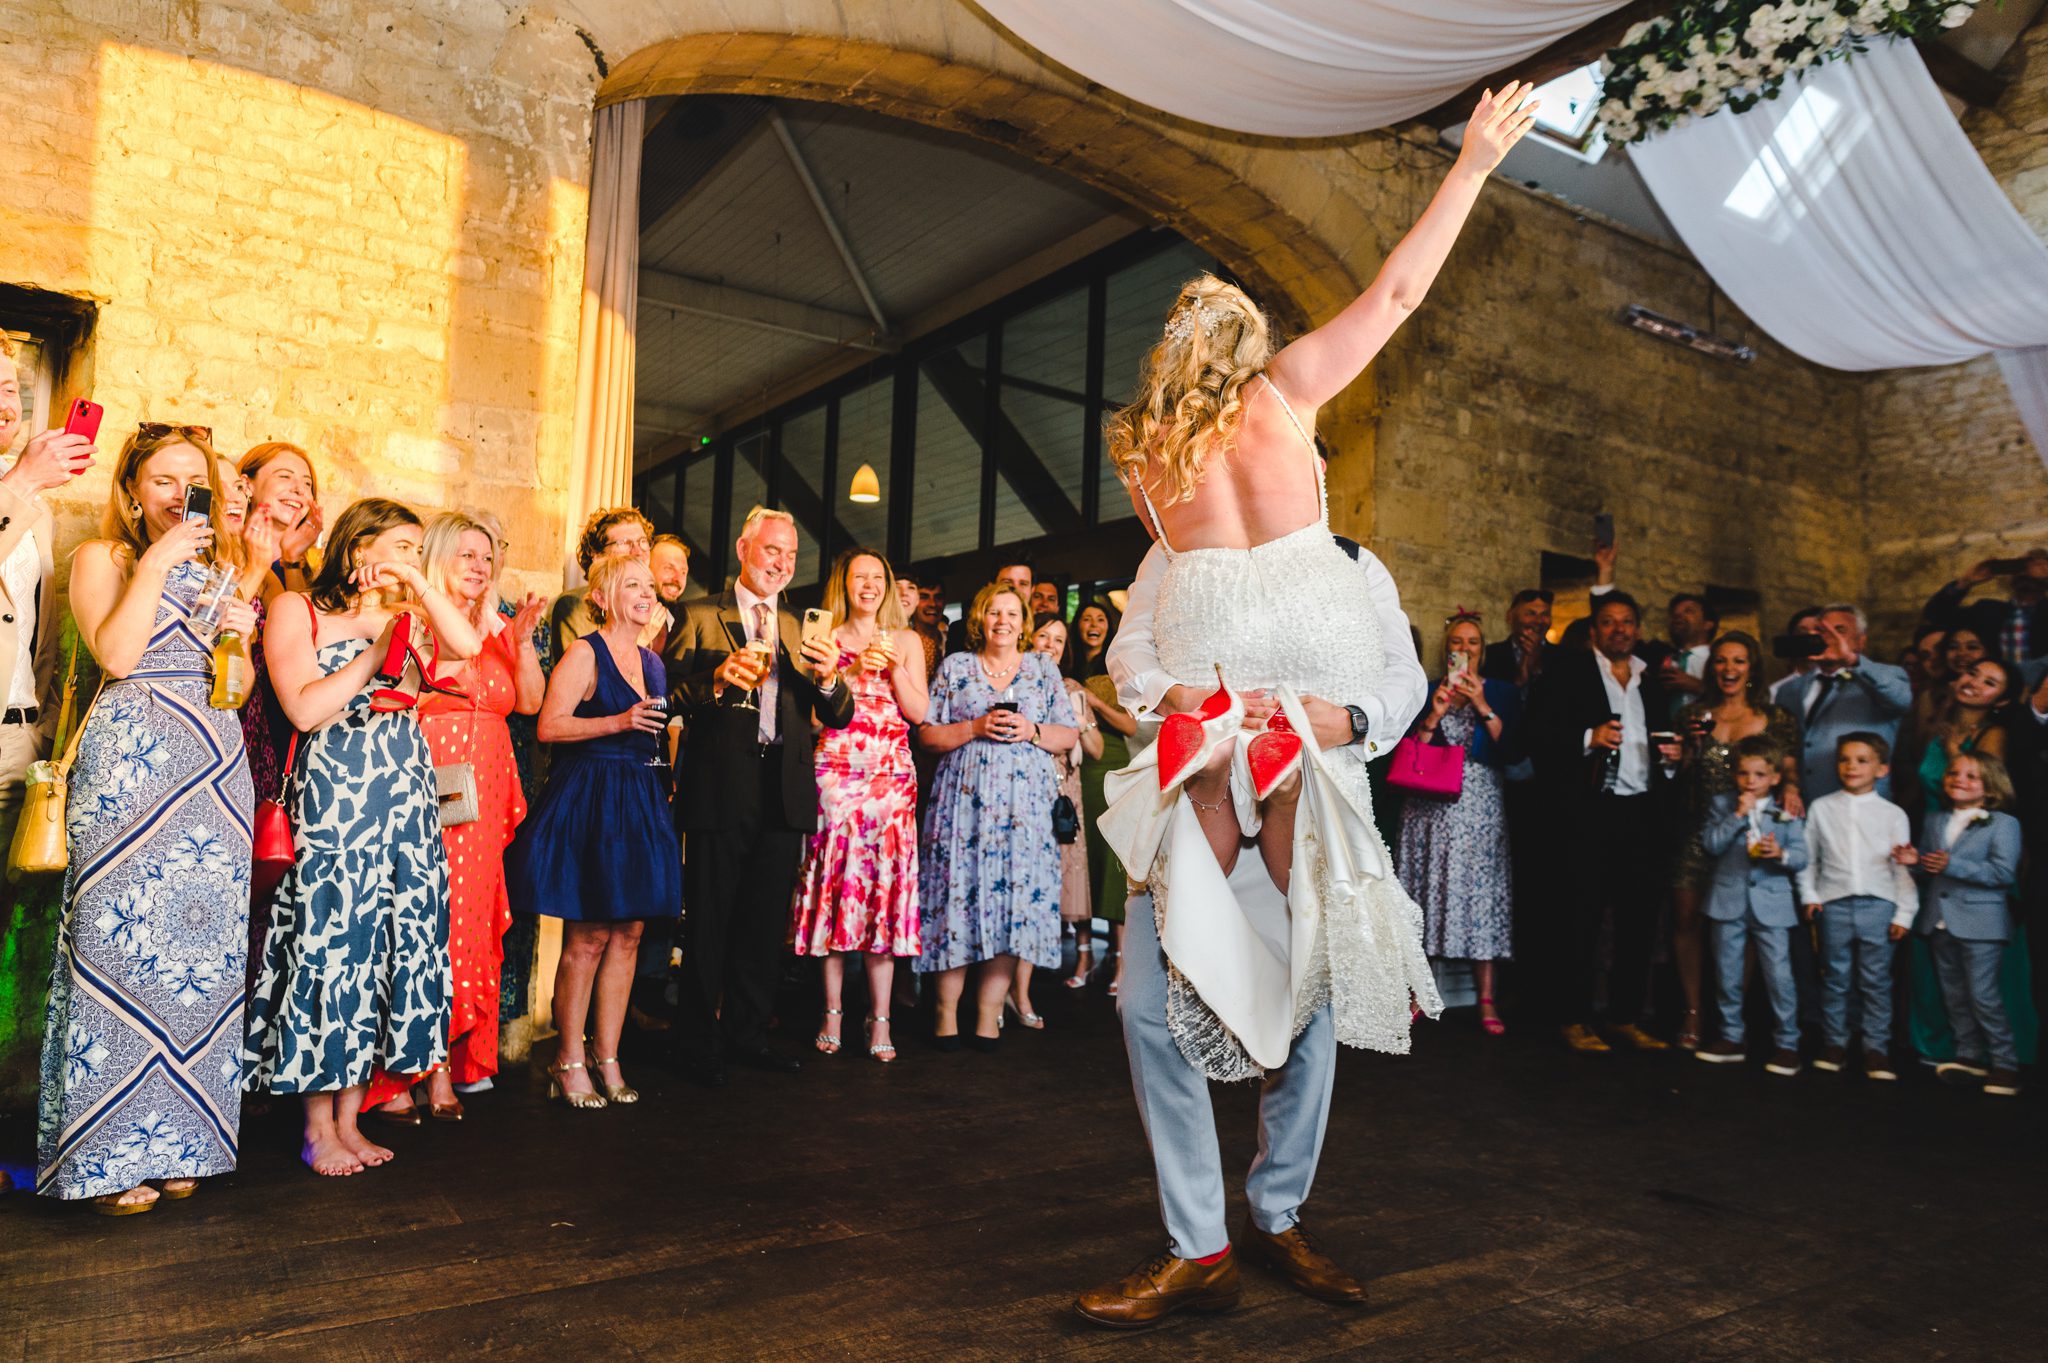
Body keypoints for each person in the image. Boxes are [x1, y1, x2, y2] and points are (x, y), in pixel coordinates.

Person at [1079, 84, 1529, 1327]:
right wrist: (1473, 163)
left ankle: (1274, 1210)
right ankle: (1195, 1240)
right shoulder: (1258, 409)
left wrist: (1341, 721)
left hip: (1302, 747)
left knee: (1317, 984)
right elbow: (1392, 294)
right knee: (1146, 994)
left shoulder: (1158, 461)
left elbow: (1382, 674)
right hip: (1205, 745)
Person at [35, 425, 256, 1213]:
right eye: (162, 480)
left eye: (192, 480)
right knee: (119, 952)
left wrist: (238, 630)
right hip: (131, 769)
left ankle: (183, 1138)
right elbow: (118, 656)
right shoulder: (107, 560)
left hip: (214, 771)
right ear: (133, 490)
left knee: (198, 960)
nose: (177, 494)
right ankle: (106, 1156)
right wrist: (161, 561)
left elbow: (236, 684)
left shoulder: (220, 572)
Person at [244, 498, 480, 1177]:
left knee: (379, 953)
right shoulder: (299, 608)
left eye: (418, 548)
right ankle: (316, 1126)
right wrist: (373, 657)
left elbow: (467, 649)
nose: (411, 559)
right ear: (357, 545)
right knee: (331, 948)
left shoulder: (404, 614)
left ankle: (350, 1118)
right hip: (336, 800)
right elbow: (304, 706)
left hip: (405, 801)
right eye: (401, 546)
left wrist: (421, 587)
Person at [664, 507, 853, 1087]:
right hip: (721, 787)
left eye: (792, 556)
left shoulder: (803, 627)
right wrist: (717, 680)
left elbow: (839, 714)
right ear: (745, 547)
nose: (783, 563)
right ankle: (696, 1043)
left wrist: (827, 679)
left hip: (784, 790)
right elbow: (667, 698)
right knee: (710, 921)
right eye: (773, 550)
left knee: (762, 923)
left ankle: (747, 1035)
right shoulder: (698, 616)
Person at [367, 514, 544, 1122]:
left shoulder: (497, 625)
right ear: (438, 556)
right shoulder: (414, 617)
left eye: (486, 557)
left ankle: (454, 1056)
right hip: (428, 779)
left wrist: (519, 640)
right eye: (466, 553)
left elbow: (530, 703)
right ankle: (407, 1066)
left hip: (487, 789)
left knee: (469, 925)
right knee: (422, 919)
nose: (478, 565)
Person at [511, 555, 681, 1108]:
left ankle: (608, 1057)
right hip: (593, 798)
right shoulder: (585, 652)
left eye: (650, 586)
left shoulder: (654, 663)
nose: (645, 593)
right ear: (603, 597)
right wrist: (618, 721)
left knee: (629, 933)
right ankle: (569, 1060)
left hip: (640, 799)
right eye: (632, 584)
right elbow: (549, 726)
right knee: (587, 936)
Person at [0, 338, 94, 1198]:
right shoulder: (19, 491)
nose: (6, 408)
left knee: (14, 948)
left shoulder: (36, 507)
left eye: (13, 392)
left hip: (18, 745)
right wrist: (20, 482)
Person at [918, 584, 1075, 1047]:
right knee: (955, 902)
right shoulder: (956, 667)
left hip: (1024, 811)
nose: (1002, 621)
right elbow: (927, 737)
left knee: (1014, 906)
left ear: (1024, 621)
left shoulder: (1044, 669)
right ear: (980, 619)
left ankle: (988, 1016)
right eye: (993, 612)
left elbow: (1067, 735)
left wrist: (1032, 729)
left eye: (1012, 613)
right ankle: (945, 1014)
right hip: (963, 808)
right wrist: (973, 727)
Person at [789, 548, 927, 1065]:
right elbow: (812, 720)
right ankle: (832, 1013)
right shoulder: (825, 641)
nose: (867, 585)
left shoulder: (907, 640)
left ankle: (882, 1017)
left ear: (888, 585)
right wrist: (842, 677)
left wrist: (892, 669)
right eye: (858, 577)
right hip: (838, 774)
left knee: (883, 894)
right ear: (843, 585)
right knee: (838, 890)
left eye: (877, 577)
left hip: (891, 777)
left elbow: (919, 712)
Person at [1526, 591, 1676, 1053]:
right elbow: (1539, 734)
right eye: (1609, 622)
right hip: (1589, 811)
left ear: (1637, 629)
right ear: (1595, 630)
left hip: (1642, 811)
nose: (1619, 630)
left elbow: (1661, 737)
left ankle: (1626, 1016)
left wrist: (1672, 758)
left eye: (1627, 622)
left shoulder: (1650, 681)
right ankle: (1573, 1018)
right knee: (1581, 918)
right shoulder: (1570, 672)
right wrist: (1590, 736)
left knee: (1638, 920)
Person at [1666, 633, 1800, 1049]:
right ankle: (1693, 1012)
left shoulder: (1776, 718)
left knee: (1742, 920)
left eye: (1739, 661)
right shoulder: (1693, 714)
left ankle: (1732, 1017)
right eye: (1722, 661)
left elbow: (1789, 769)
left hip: (1750, 833)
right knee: (1686, 921)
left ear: (1752, 668)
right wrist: (1681, 755)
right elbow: (1683, 773)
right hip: (1699, 829)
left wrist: (1792, 789)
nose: (1729, 669)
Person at [1396, 612, 1517, 1034]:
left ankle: (1487, 999)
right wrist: (1435, 713)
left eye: (1473, 643)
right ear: (1446, 649)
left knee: (1482, 897)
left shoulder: (1501, 692)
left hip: (1480, 808)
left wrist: (1481, 704)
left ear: (1482, 650)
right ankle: (1417, 994)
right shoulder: (1427, 691)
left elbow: (1513, 749)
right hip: (1430, 809)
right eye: (1457, 642)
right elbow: (1409, 750)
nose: (1464, 650)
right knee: (1428, 893)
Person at [1901, 752, 2024, 1097]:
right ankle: (1969, 1056)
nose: (1959, 779)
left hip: (1982, 923)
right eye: (1953, 773)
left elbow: (2002, 874)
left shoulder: (2002, 824)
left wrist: (1951, 865)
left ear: (1990, 787)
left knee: (1984, 995)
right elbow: (1930, 869)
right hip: (1941, 922)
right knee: (1953, 994)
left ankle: (2005, 1064)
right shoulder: (1935, 819)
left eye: (1971, 776)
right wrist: (1914, 863)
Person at [1797, 733, 1916, 1082]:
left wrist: (1904, 913)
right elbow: (1809, 860)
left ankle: (1876, 1048)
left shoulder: (1893, 814)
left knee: (1876, 980)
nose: (1851, 767)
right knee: (1834, 977)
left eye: (1862, 760)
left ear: (1882, 769)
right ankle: (1835, 1043)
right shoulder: (1821, 807)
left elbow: (1902, 866)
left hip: (1879, 906)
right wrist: (1810, 896)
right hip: (1833, 904)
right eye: (1845, 759)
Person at [1693, 737, 1807, 1074]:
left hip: (1772, 902)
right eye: (1743, 773)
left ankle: (1788, 1043)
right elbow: (1711, 845)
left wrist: (1781, 855)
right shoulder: (1722, 803)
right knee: (1727, 972)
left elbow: (1802, 855)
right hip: (1728, 899)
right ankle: (1731, 1036)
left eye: (1759, 774)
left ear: (1774, 777)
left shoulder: (1787, 808)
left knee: (1779, 975)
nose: (1750, 781)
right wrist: (1737, 816)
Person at [1020, 612, 1095, 1026]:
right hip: (1023, 788)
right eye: (1044, 636)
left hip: (1062, 790)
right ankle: (1003, 991)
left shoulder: (1068, 690)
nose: (1051, 644)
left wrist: (1082, 720)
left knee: (1046, 892)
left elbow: (1089, 746)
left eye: (1059, 640)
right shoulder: (1012, 677)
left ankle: (1023, 989)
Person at [1071, 601, 1137, 991]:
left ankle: (1120, 963)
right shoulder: (1066, 666)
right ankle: (1082, 956)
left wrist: (1092, 701)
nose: (1092, 624)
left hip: (1109, 768)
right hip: (1072, 767)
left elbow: (1130, 726)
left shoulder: (1118, 671)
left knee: (1111, 863)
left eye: (1099, 619)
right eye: (1085, 619)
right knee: (1079, 861)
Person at [1784, 605, 1912, 801]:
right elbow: (1787, 745)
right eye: (1822, 631)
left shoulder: (1885, 677)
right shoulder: (1791, 689)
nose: (1829, 637)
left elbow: (1902, 699)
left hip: (1864, 807)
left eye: (1840, 631)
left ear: (1861, 641)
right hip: (1806, 806)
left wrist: (1852, 660)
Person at [552, 507, 665, 655]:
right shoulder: (575, 606)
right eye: (624, 543)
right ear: (598, 556)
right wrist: (640, 640)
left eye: (642, 541)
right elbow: (584, 673)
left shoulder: (654, 603)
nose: (638, 551)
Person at [1921, 550, 2048, 665]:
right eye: (2020, 566)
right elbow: (1935, 615)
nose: (2027, 573)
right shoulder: (1987, 611)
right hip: (1995, 686)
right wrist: (1965, 582)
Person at [945, 560, 1031, 656]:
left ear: (1032, 589)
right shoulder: (960, 633)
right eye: (1007, 582)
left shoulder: (1045, 634)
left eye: (1023, 584)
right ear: (991, 586)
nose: (1015, 589)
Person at [1654, 592, 1719, 710]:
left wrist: (1697, 686)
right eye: (1675, 614)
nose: (1678, 615)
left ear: (1707, 624)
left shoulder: (1717, 661)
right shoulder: (1663, 659)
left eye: (1688, 611)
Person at [911, 577, 947, 680]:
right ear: (914, 601)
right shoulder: (906, 644)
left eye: (938, 597)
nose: (932, 604)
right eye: (924, 597)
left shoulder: (953, 639)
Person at [649, 532, 692, 612]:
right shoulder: (622, 619)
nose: (678, 579)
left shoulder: (687, 621)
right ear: (647, 568)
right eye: (669, 568)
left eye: (683, 572)